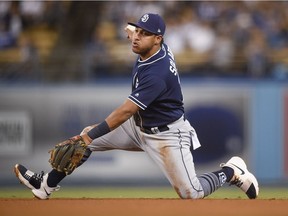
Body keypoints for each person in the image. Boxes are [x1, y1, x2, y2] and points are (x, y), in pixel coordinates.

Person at [14, 13, 259, 200]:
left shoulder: (157, 73)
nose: (136, 36)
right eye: (137, 31)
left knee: (190, 193)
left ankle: (231, 171)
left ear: (158, 39)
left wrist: (91, 136)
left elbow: (126, 111)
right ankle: (45, 185)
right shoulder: (152, 46)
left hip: (168, 135)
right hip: (139, 127)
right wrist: (132, 29)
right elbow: (134, 32)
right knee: (83, 140)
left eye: (144, 33)